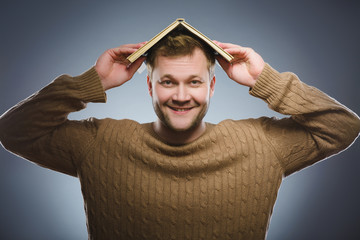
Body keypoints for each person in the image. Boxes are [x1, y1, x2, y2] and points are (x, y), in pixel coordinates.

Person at [0, 31, 359, 240]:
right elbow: (14, 131)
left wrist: (265, 80)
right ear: (149, 86)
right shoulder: (102, 142)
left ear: (213, 86)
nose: (181, 95)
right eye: (168, 82)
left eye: (195, 82)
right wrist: (90, 83)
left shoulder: (259, 144)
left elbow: (342, 126)